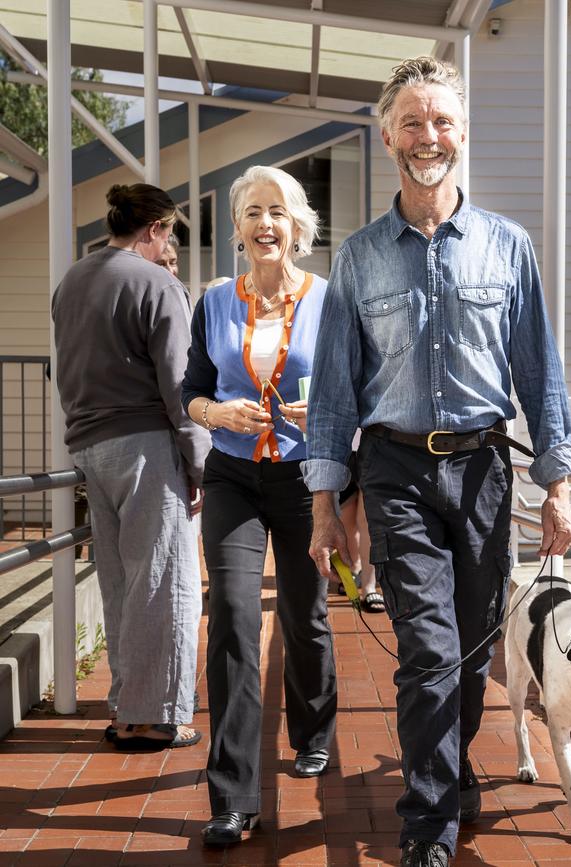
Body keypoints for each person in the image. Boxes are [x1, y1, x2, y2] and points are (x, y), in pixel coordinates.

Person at [303, 57, 571, 867]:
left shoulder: (508, 246)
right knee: (426, 647)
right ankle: (429, 825)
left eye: (444, 121)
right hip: (395, 471)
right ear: (388, 136)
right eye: (414, 123)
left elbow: (542, 375)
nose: (431, 137)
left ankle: (451, 772)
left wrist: (557, 488)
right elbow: (333, 397)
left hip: (488, 471)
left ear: (462, 132)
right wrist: (326, 502)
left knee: (471, 647)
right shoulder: (358, 259)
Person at [181, 165, 337, 848]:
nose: (265, 223)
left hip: (306, 477)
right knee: (235, 620)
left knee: (305, 612)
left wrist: (327, 410)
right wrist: (217, 410)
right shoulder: (214, 302)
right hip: (233, 477)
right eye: (252, 212)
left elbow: (356, 387)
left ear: (297, 227)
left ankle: (314, 731)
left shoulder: (329, 300)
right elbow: (189, 389)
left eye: (277, 211)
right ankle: (234, 796)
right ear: (238, 229)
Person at [52, 183, 210, 750]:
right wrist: (199, 463)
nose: (169, 244)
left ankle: (127, 703)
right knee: (165, 581)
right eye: (168, 233)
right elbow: (180, 386)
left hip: (90, 446)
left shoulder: (72, 280)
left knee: (120, 582)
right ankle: (154, 717)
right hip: (146, 444)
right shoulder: (157, 282)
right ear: (154, 230)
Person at [338, 451, 384, 613]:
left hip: (374, 447)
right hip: (343, 450)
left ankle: (369, 587)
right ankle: (354, 567)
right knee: (346, 520)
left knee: (367, 521)